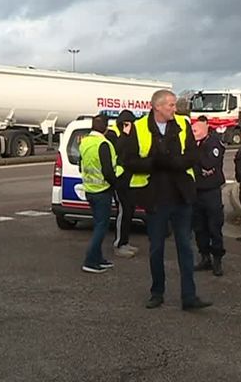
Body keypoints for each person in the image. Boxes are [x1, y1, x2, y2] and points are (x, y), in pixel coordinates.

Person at [118, 89, 212, 311]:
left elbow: (193, 155)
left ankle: (189, 297)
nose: (174, 108)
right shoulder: (139, 127)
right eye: (170, 105)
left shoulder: (182, 125)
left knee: (185, 248)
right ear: (157, 106)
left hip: (181, 196)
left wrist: (177, 163)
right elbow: (127, 160)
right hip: (155, 198)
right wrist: (154, 163)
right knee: (156, 249)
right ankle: (157, 293)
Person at [79, 115, 118, 274]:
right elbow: (108, 171)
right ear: (106, 128)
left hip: (89, 189)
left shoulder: (85, 142)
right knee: (101, 227)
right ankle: (90, 261)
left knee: (98, 225)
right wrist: (116, 184)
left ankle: (98, 258)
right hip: (102, 190)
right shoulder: (104, 144)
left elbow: (80, 165)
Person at [192, 118, 226, 276]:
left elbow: (208, 163)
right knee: (199, 228)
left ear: (204, 129)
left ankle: (217, 259)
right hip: (196, 191)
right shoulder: (195, 144)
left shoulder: (213, 143)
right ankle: (204, 257)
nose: (193, 134)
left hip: (211, 192)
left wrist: (197, 153)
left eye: (195, 131)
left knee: (214, 227)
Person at [105, 110, 139, 259]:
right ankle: (119, 244)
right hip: (119, 181)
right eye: (129, 124)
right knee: (123, 211)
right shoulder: (113, 135)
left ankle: (125, 242)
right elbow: (117, 151)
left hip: (128, 180)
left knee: (129, 211)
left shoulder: (131, 136)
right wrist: (125, 134)